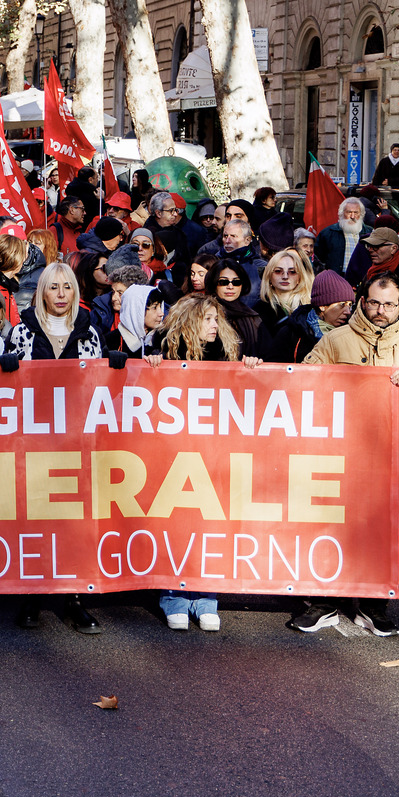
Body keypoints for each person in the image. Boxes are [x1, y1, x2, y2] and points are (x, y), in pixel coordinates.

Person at [297, 273, 399, 637]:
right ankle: (324, 602)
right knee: (332, 527)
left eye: (388, 304)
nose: (380, 310)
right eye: (374, 302)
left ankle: (374, 605)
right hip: (342, 456)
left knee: (386, 533)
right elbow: (302, 384)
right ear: (362, 301)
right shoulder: (336, 340)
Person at [147, 293, 260, 632]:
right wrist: (152, 366)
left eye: (216, 320)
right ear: (189, 321)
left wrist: (249, 369)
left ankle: (206, 597)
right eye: (208, 319)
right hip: (173, 453)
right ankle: (175, 598)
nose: (215, 325)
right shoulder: (162, 351)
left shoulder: (228, 354)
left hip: (214, 454)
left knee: (211, 523)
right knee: (177, 523)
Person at [7, 262, 104, 634]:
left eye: (67, 287)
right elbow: (11, 390)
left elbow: (99, 390)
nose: (61, 294)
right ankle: (32, 597)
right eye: (53, 288)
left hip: (78, 442)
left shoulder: (90, 331)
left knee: (74, 524)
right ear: (42, 292)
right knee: (36, 521)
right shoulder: (21, 331)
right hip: (35, 442)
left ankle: (74, 599)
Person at [268, 269, 354, 363]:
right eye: (342, 304)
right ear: (322, 306)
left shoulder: (353, 332)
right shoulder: (292, 333)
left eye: (349, 305)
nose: (348, 311)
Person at [207, 258, 271, 360]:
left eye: (236, 282)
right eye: (224, 282)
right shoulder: (204, 314)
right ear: (214, 284)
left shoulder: (253, 318)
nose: (230, 286)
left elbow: (267, 355)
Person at [255, 248, 314, 333]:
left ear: (300, 277)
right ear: (269, 277)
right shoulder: (259, 310)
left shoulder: (310, 309)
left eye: (292, 272)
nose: (285, 276)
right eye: (278, 271)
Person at [107, 284, 165, 358]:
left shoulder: (162, 341)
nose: (161, 313)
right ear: (137, 310)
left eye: (160, 307)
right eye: (154, 308)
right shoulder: (111, 342)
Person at [315, 197, 370, 275]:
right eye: (349, 212)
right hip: (335, 279)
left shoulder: (369, 233)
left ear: (361, 214)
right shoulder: (328, 233)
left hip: (361, 279)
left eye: (356, 212)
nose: (352, 216)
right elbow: (319, 258)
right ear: (341, 213)